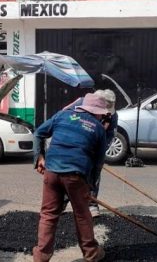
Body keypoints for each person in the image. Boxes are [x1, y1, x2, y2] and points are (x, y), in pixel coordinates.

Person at [32, 93, 108, 262]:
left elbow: (38, 133)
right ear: (97, 112)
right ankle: (91, 253)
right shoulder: (98, 128)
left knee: (48, 214)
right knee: (82, 214)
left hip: (51, 172)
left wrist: (39, 157)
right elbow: (98, 163)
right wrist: (91, 187)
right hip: (76, 175)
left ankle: (41, 257)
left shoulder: (62, 115)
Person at [63, 89, 117, 217]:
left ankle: (92, 204)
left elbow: (109, 135)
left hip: (96, 147)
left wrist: (100, 149)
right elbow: (66, 116)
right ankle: (63, 202)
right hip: (75, 144)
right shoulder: (81, 103)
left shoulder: (113, 115)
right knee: (70, 174)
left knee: (94, 175)